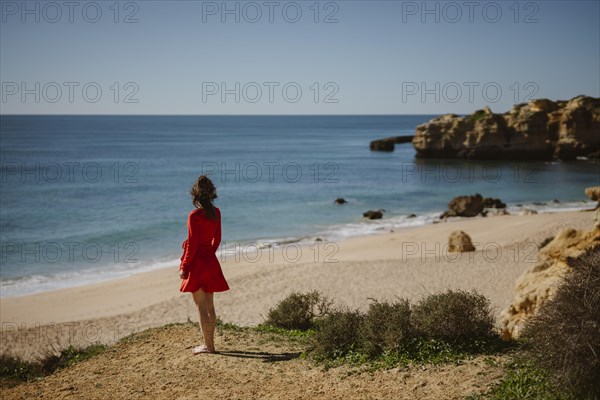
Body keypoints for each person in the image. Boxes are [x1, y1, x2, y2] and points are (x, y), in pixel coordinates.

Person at [179, 175, 230, 354]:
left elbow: (192, 244)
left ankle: (208, 346)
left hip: (197, 263)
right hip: (210, 260)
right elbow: (218, 239)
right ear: (211, 194)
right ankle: (211, 344)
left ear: (195, 195)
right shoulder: (216, 213)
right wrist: (209, 253)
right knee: (210, 305)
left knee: (201, 306)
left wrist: (184, 267)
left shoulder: (194, 215)